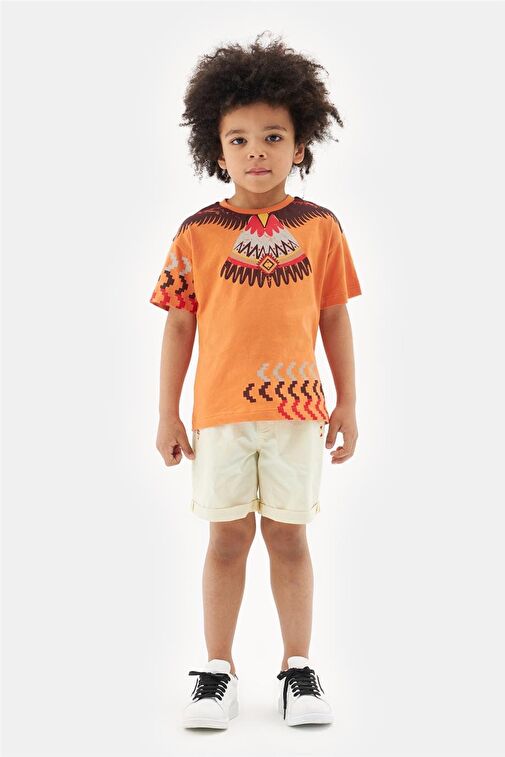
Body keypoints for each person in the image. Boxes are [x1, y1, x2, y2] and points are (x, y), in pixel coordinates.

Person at [149, 31, 362, 729]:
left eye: (273, 137)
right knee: (226, 538)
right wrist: (167, 412)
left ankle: (298, 667)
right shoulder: (196, 234)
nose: (256, 153)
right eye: (238, 140)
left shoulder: (321, 228)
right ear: (216, 152)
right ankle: (218, 668)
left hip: (299, 415)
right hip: (219, 415)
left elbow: (334, 316)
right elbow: (179, 326)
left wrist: (348, 402)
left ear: (301, 145)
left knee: (290, 537)